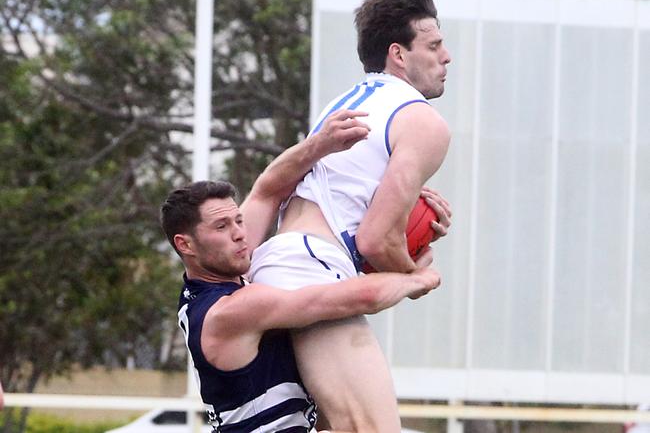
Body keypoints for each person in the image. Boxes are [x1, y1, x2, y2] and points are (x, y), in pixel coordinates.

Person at [161, 109, 445, 433]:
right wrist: (416, 279)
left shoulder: (224, 266)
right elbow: (353, 298)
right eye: (222, 226)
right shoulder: (230, 310)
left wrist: (320, 144)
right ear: (186, 245)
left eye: (238, 220)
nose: (240, 232)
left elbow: (267, 190)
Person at [248, 0, 452, 432]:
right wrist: (415, 273)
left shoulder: (344, 102)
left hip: (277, 266)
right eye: (434, 45)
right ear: (398, 54)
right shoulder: (423, 122)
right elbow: (376, 240)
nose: (447, 56)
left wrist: (411, 233)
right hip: (312, 269)